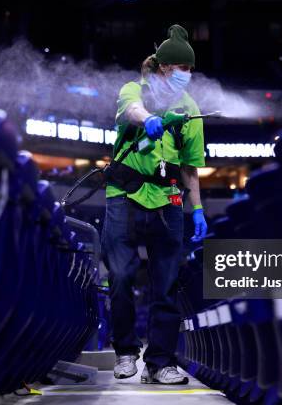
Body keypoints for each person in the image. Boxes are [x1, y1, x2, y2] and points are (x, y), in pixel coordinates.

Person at [102, 24, 208, 385]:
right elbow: (130, 109)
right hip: (125, 197)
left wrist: (197, 210)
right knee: (120, 277)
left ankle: (161, 361)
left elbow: (191, 168)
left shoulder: (190, 109)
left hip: (167, 201)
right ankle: (126, 353)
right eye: (184, 68)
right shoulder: (135, 90)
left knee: (167, 284)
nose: (188, 75)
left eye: (190, 70)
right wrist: (148, 118)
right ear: (165, 67)